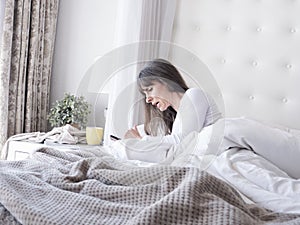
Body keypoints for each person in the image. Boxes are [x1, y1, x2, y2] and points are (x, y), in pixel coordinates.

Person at [124, 58, 222, 145]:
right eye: (145, 94)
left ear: (165, 80)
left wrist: (141, 141)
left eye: (149, 89)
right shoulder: (175, 118)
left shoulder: (194, 95)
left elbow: (183, 142)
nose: (147, 99)